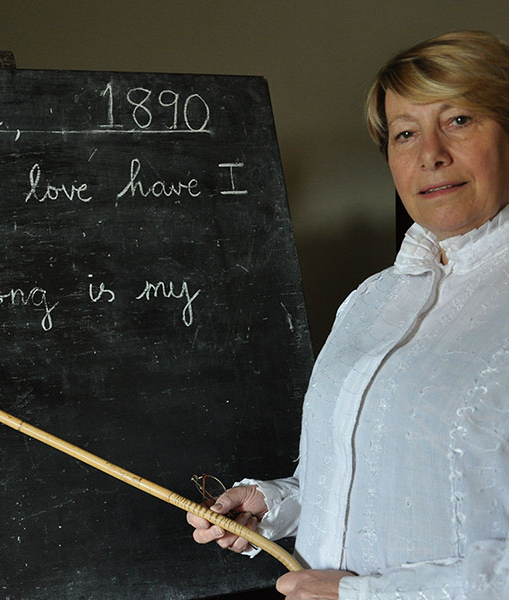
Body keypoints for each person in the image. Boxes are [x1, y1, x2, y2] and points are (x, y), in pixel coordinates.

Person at [187, 30, 509, 600]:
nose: (430, 153)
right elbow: (377, 475)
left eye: (459, 120)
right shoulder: (371, 300)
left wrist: (367, 594)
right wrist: (276, 504)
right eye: (405, 133)